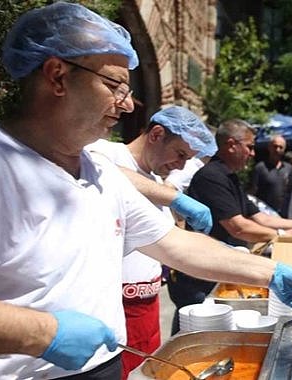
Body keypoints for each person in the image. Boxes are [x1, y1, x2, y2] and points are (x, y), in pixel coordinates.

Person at [0, 3, 292, 378]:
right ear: (57, 77)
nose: (128, 103)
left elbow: (173, 244)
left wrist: (271, 271)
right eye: (114, 85)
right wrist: (43, 333)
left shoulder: (100, 171)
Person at [86, 105, 217, 378]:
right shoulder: (107, 153)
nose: (181, 165)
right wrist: (173, 197)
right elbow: (105, 170)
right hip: (116, 307)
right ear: (156, 134)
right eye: (180, 154)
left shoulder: (155, 178)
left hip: (148, 306)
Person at [167, 119, 292, 333]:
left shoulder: (230, 177)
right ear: (231, 144)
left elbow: (260, 217)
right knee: (192, 331)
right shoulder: (212, 176)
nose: (252, 153)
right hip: (200, 275)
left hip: (219, 267)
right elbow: (238, 227)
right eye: (249, 146)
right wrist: (283, 234)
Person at [249, 135, 292, 215]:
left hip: (284, 214)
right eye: (275, 146)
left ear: (284, 149)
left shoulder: (289, 168)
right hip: (265, 212)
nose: (277, 150)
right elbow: (252, 191)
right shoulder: (260, 168)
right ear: (269, 147)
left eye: (280, 147)